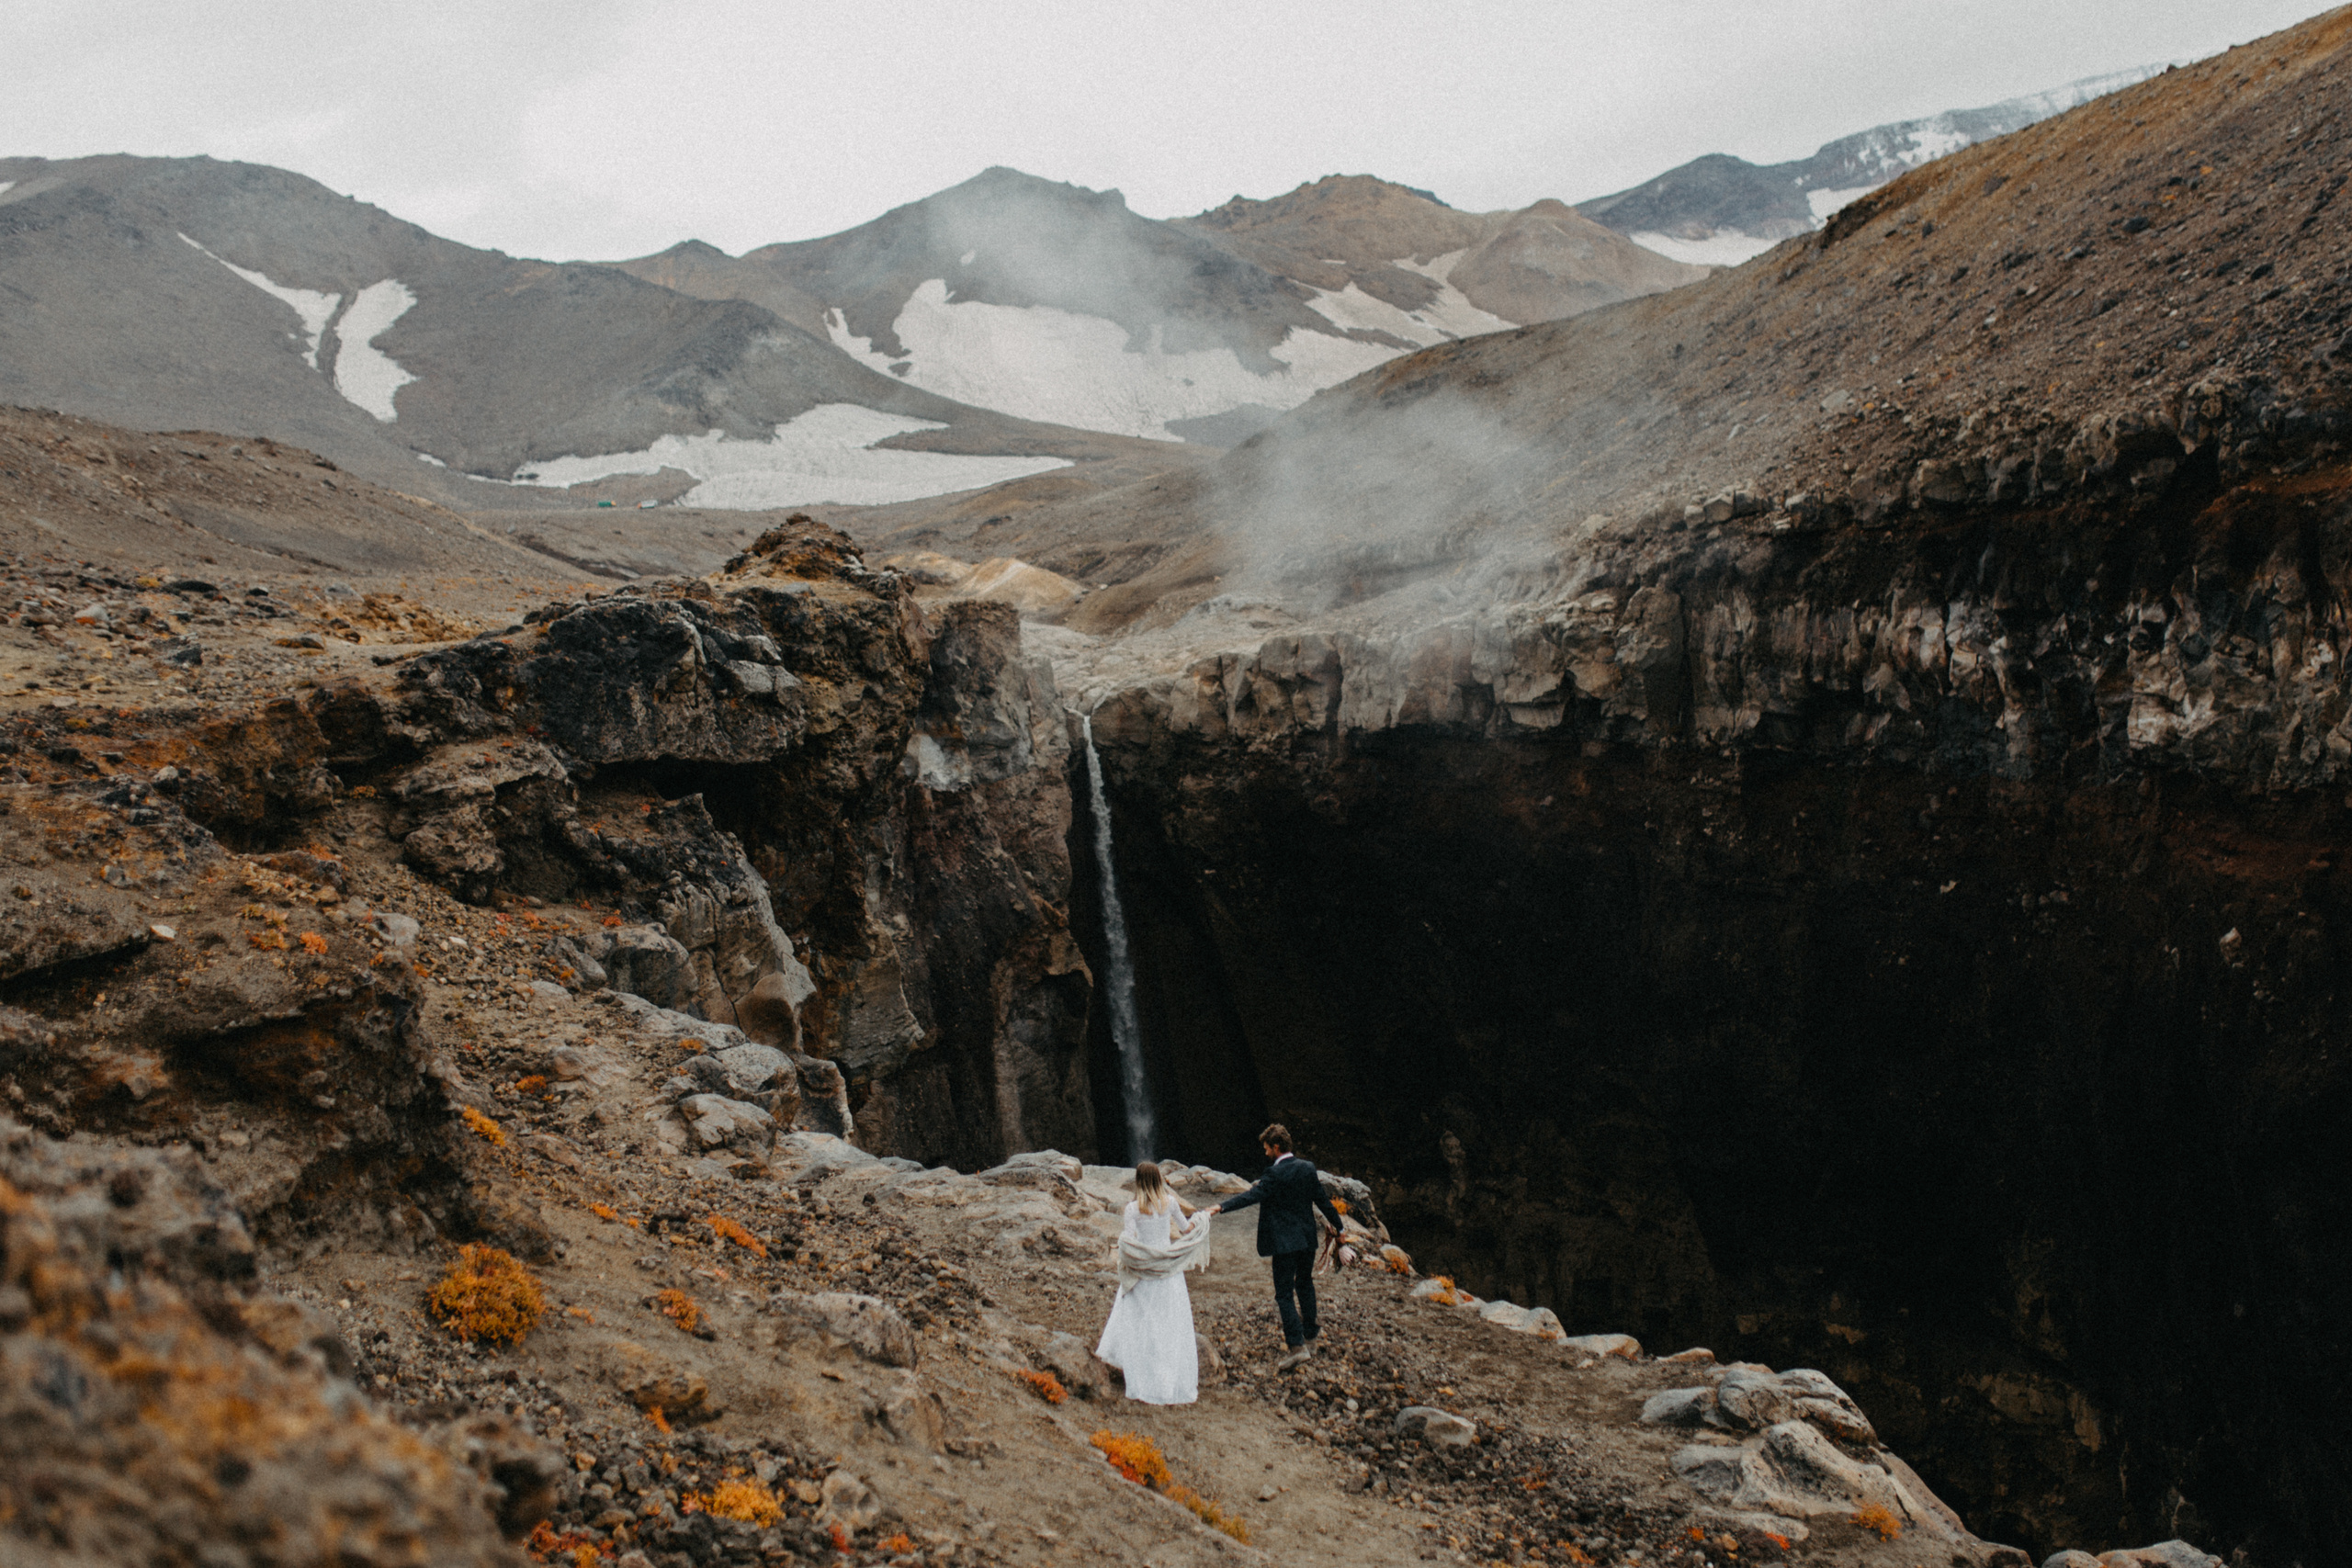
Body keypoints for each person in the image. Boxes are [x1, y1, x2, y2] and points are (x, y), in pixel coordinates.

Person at [1210, 1122, 1343, 1370]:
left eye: (1267, 1148)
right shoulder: (1308, 1168)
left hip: (1284, 1243)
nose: (1265, 1153)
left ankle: (1296, 1347)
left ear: (1277, 1147)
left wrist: (1221, 1207)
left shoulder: (1273, 1174)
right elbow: (1323, 1202)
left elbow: (1251, 1197)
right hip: (1306, 1240)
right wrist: (1340, 1229)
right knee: (1305, 1285)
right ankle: (1311, 1338)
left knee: (1284, 1293)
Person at [1094, 1161, 1213, 1404]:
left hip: (1144, 1270)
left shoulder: (1131, 1209)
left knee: (1139, 1322)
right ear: (1159, 1179)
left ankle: (1140, 1372)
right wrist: (1201, 1218)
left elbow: (1130, 1240)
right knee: (1168, 1322)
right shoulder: (1169, 1203)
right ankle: (1168, 1378)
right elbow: (1186, 1228)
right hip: (1167, 1270)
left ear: (1138, 1182)